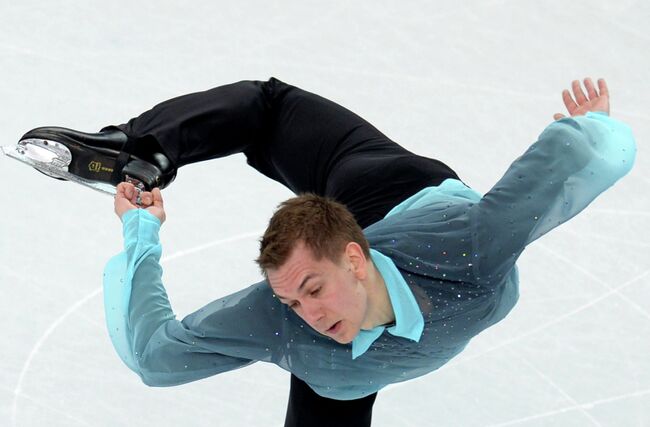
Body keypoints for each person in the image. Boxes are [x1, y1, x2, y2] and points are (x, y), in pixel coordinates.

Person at [21, 77, 635, 426]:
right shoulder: (284, 323)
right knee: (327, 364)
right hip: (344, 355)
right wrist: (140, 231)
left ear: (354, 257)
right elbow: (157, 356)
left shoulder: (470, 249)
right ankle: (140, 156)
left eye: (312, 290)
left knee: (270, 109)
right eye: (290, 300)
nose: (307, 313)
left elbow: (570, 167)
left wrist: (589, 127)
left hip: (391, 191)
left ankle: (144, 142)